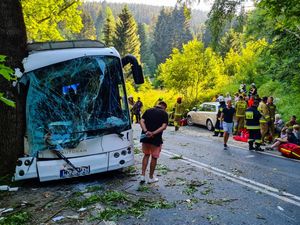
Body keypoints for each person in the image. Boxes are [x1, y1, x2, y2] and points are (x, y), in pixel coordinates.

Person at [139, 101, 168, 184]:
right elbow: (164, 126)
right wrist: (153, 133)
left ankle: (142, 176)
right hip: (156, 139)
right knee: (154, 157)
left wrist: (146, 131)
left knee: (146, 155)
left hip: (145, 137)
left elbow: (141, 121)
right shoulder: (164, 113)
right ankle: (151, 177)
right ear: (164, 107)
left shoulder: (148, 110)